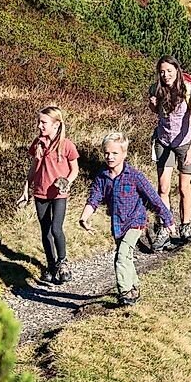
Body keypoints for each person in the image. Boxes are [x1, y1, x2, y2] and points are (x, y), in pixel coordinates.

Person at [79, 132, 173, 306]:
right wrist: (84, 217)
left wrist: (167, 220)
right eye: (107, 153)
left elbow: (154, 198)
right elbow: (94, 198)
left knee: (121, 256)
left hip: (135, 222)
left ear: (124, 154)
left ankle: (125, 293)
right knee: (126, 256)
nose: (110, 157)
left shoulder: (134, 176)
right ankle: (134, 286)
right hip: (117, 224)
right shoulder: (102, 177)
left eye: (115, 153)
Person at [20, 105, 79, 285]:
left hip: (59, 194)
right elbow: (33, 168)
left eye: (43, 122)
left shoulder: (66, 145)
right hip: (40, 193)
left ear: (56, 125)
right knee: (45, 231)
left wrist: (67, 182)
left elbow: (75, 169)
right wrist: (25, 189)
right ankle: (51, 265)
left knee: (56, 228)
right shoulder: (37, 143)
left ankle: (63, 263)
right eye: (39, 122)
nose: (39, 125)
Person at [149, 55, 191, 242]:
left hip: (186, 142)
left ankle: (185, 226)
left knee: (183, 187)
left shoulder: (189, 90)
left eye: (169, 71)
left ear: (177, 71)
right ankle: (166, 226)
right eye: (162, 72)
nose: (165, 75)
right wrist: (153, 105)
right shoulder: (156, 88)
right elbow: (157, 112)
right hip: (164, 141)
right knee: (163, 187)